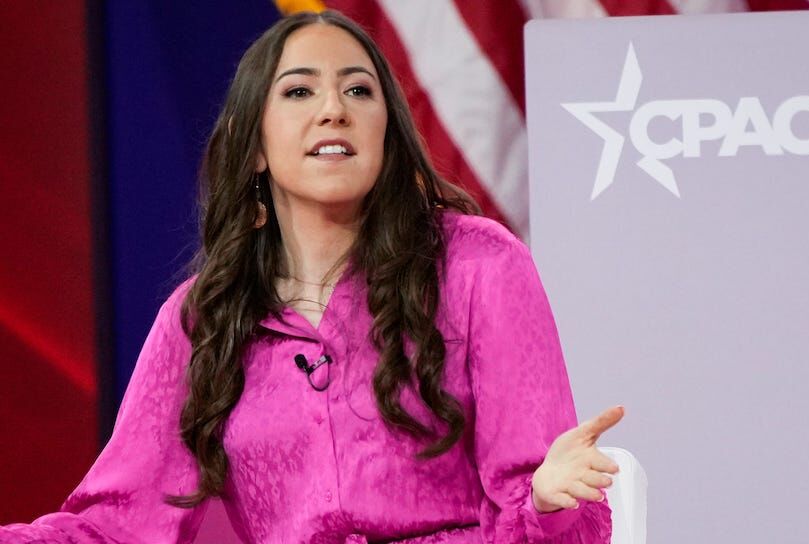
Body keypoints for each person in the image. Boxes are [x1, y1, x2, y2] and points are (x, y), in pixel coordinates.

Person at [1, 10, 624, 543]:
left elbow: (548, 502)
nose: (334, 109)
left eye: (359, 91)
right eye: (299, 92)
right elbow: (114, 526)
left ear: (388, 131)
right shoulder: (206, 318)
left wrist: (547, 500)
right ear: (256, 146)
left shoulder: (478, 264)